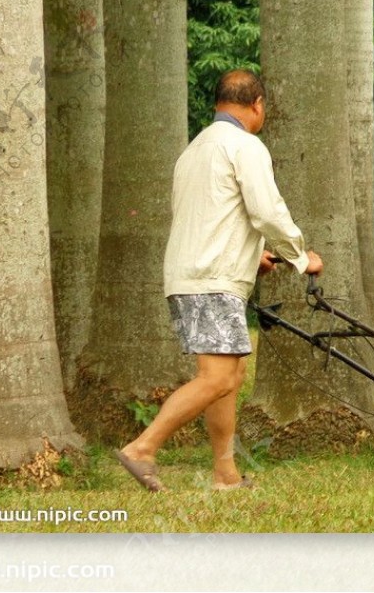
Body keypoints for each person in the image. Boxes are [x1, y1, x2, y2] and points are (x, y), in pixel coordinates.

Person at [115, 68, 323, 492]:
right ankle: (142, 448)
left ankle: (225, 475)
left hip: (192, 273)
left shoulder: (194, 149)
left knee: (228, 374)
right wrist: (300, 256)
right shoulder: (245, 145)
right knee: (219, 379)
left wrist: (252, 257)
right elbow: (265, 211)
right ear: (257, 105)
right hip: (211, 280)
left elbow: (213, 215)